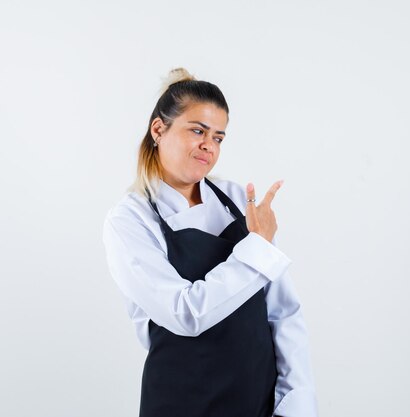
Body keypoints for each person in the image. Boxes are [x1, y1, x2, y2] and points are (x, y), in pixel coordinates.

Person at [102, 67, 318, 417]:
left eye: (218, 137)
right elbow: (185, 314)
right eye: (197, 131)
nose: (208, 145)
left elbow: (283, 311)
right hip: (179, 403)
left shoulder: (237, 199)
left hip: (257, 402)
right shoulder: (130, 220)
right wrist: (258, 249)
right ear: (159, 129)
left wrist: (297, 404)